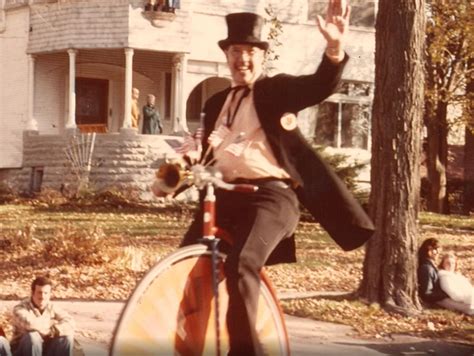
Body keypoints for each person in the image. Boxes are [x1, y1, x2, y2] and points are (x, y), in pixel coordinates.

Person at [153, 2, 374, 355]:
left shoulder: (275, 91)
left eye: (251, 52)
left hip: (270, 197)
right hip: (223, 198)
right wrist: (172, 178)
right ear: (227, 56)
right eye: (236, 51)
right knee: (186, 272)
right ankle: (189, 350)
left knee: (241, 264)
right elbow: (204, 150)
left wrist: (334, 48)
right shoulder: (215, 103)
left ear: (261, 57)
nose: (243, 59)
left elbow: (319, 86)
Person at [11, 276, 74, 356]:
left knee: (66, 338)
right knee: (33, 337)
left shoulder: (52, 307)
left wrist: (54, 330)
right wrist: (51, 323)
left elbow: (70, 323)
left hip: (45, 349)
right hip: (23, 351)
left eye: (46, 293)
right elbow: (31, 324)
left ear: (50, 294)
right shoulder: (20, 308)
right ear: (32, 293)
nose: (42, 296)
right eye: (39, 292)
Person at [417, 238, 450, 306]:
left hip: (440, 297)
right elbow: (427, 294)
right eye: (435, 249)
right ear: (428, 251)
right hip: (436, 301)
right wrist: (446, 294)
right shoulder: (427, 268)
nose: (438, 252)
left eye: (438, 249)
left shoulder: (432, 266)